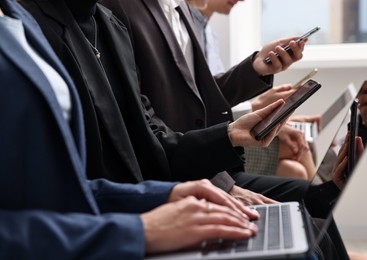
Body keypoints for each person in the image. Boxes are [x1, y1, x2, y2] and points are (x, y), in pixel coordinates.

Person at [0, 0, 261, 258]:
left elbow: (69, 188)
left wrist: (158, 196)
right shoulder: (34, 24)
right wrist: (139, 231)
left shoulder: (105, 24)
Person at [20, 0, 314, 208]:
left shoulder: (110, 24)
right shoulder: (29, 29)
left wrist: (231, 133)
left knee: (305, 229)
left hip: (151, 193)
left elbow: (153, 138)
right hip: (117, 212)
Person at [189, 0, 318, 180]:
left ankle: (318, 202)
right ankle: (326, 203)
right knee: (297, 147)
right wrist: (255, 108)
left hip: (220, 124)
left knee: (294, 169)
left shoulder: (209, 34)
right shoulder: (183, 31)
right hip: (206, 135)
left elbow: (213, 96)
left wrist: (266, 112)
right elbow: (196, 105)